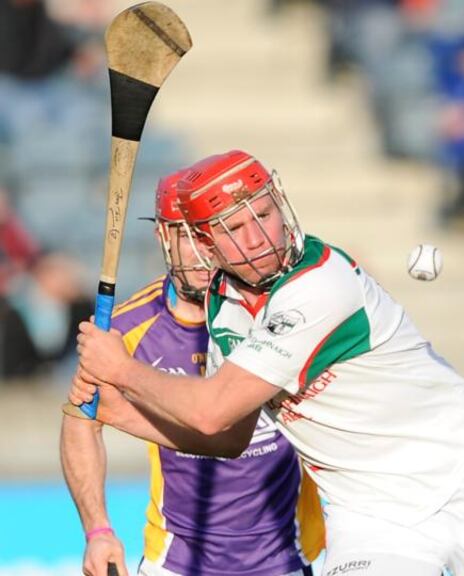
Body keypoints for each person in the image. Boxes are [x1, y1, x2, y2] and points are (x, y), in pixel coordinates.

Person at [70, 150, 464, 576]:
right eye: (234, 228)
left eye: (264, 214)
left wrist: (121, 370)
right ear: (206, 245)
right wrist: (118, 413)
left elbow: (212, 411)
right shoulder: (226, 308)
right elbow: (230, 437)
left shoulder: (321, 283)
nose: (257, 237)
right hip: (369, 510)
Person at [60, 169, 324, 576]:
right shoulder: (128, 330)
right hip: (174, 563)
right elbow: (81, 419)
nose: (203, 255)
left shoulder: (281, 314)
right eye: (187, 237)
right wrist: (98, 530)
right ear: (162, 238)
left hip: (286, 559)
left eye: (209, 235)